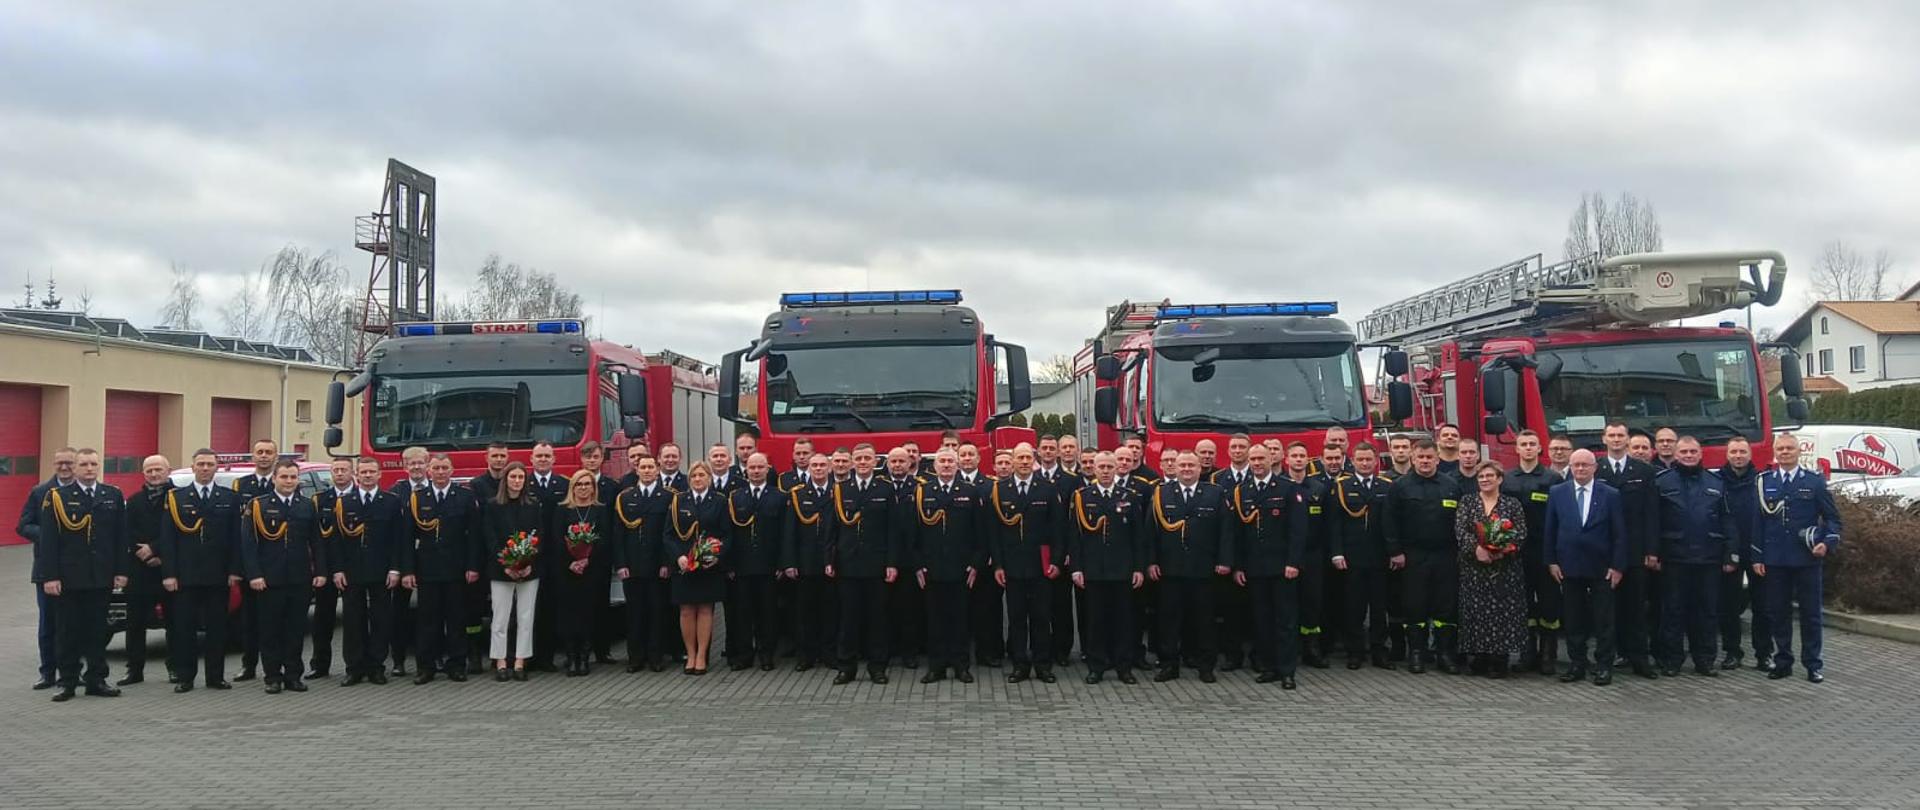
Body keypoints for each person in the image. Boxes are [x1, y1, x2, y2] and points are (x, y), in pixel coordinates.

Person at [36, 448, 127, 702]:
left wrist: (121, 570)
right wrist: (50, 576)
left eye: (93, 464)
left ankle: (96, 679)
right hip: (69, 578)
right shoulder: (57, 497)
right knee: (68, 631)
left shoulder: (112, 495)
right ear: (75, 468)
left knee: (97, 631)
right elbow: (49, 541)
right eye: (84, 464)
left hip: (100, 576)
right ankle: (67, 681)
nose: (89, 468)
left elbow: (120, 537)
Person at [1753, 434, 1842, 683]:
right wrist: (1757, 556)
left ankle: (1813, 664)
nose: (1785, 452)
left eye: (1789, 448)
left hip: (1806, 559)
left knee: (1810, 614)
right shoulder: (1764, 482)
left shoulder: (1814, 482)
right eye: (1780, 448)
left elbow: (1833, 519)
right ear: (1774, 452)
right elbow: (1757, 523)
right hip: (1775, 559)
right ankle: (1783, 662)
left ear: (1799, 451)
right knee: (1778, 613)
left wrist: (1826, 543)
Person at [1652, 436, 1737, 677]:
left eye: (1693, 452)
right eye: (1684, 452)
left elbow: (1728, 520)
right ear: (1676, 455)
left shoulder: (1716, 482)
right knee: (1673, 611)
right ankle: (1672, 660)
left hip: (1709, 559)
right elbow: (1654, 522)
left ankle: (1705, 660)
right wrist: (1653, 553)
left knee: (1707, 612)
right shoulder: (1662, 481)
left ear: (1700, 454)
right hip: (1674, 558)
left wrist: (1731, 554)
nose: (1688, 456)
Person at [161, 449, 245, 692]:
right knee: (185, 629)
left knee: (217, 629)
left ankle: (215, 677)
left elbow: (236, 538)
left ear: (216, 467)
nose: (205, 468)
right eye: (201, 464)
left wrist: (234, 570)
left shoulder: (229, 497)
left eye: (209, 464)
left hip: (218, 575)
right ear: (193, 467)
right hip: (185, 575)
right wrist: (169, 573)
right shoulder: (176, 498)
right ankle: (186, 677)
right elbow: (168, 539)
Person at [241, 459, 326, 694]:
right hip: (269, 579)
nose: (289, 481)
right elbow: (248, 544)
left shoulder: (306, 505)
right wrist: (254, 574)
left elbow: (317, 541)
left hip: (299, 578)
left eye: (293, 477)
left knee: (295, 630)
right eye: (284, 477)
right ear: (274, 479)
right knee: (270, 630)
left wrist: (320, 571)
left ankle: (293, 676)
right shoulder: (258, 505)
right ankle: (272, 677)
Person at [1147, 452, 1232, 683]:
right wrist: (1151, 561)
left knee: (1204, 621)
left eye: (1191, 465)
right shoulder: (1161, 493)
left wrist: (1225, 560)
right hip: (1170, 569)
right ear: (1175, 468)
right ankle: (1169, 665)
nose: (1186, 469)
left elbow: (1225, 530)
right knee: (1169, 620)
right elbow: (1150, 531)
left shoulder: (1215, 493)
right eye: (1182, 465)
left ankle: (1206, 666)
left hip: (1203, 569)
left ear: (1199, 468)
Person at [1545, 450, 1628, 686]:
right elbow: (1550, 529)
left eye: (1585, 465)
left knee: (1604, 620)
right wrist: (1551, 561)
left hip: (1602, 567)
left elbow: (1619, 534)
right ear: (1570, 467)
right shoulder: (1557, 492)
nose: (1580, 469)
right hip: (1568, 566)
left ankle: (1603, 666)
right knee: (1574, 619)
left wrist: (1617, 566)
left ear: (1595, 467)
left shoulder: (1610, 494)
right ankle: (1577, 664)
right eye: (1576, 465)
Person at [1384, 439, 1463, 674]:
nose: (1425, 461)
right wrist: (1395, 551)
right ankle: (1416, 653)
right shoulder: (1400, 487)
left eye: (1429, 457)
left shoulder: (1451, 485)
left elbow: (1461, 521)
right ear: (1413, 458)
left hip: (1446, 555)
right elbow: (1389, 521)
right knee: (1414, 605)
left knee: (1446, 606)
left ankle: (1444, 654)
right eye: (1421, 457)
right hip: (1413, 556)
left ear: (1437, 459)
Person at [400, 454, 481, 684]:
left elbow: (474, 536)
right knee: (427, 621)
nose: (441, 472)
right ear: (429, 471)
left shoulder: (465, 496)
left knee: (456, 619)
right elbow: (407, 538)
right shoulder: (417, 498)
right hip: (427, 570)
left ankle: (456, 665)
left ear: (452, 470)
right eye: (436, 468)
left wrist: (473, 566)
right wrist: (408, 570)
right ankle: (426, 667)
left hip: (457, 568)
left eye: (445, 468)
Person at [828, 446, 905, 685]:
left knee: (877, 619)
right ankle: (846, 667)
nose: (862, 462)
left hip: (876, 564)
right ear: (852, 462)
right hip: (848, 564)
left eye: (867, 458)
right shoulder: (841, 489)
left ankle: (877, 667)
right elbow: (832, 530)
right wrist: (829, 560)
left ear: (875, 462)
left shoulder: (885, 489)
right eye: (858, 458)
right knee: (848, 619)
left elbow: (893, 529)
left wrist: (892, 563)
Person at [1232, 445, 1307, 688]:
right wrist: (1239, 566)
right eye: (1253, 459)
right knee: (1262, 620)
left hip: (1282, 567)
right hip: (1255, 568)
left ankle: (1287, 671)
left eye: (1261, 458)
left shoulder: (1287, 488)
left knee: (1285, 621)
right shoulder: (1242, 491)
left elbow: (1298, 530)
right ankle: (1269, 667)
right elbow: (1239, 534)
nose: (1257, 463)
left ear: (1271, 459)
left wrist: (1293, 562)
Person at [1069, 452, 1146, 685]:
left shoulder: (1129, 496)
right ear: (1093, 469)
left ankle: (1124, 667)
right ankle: (1097, 666)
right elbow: (1075, 536)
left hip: (1122, 570)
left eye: (1109, 467)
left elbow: (1138, 537)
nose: (1104, 471)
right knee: (1096, 622)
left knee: (1123, 621)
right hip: (1093, 570)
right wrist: (1076, 568)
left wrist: (1138, 568)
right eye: (1100, 466)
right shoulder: (1082, 497)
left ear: (1116, 469)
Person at [988, 446, 1063, 684]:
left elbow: (1058, 529)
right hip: (1012, 566)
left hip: (1041, 566)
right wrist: (998, 565)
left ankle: (1042, 665)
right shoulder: (1000, 490)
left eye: (1027, 458)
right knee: (1017, 618)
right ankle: (1020, 665)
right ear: (1012, 461)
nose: (1023, 462)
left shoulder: (1048, 488)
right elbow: (994, 533)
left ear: (1034, 460)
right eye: (1019, 458)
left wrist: (1056, 561)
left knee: (1041, 618)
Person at [913, 449, 984, 684]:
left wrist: (975, 564)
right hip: (931, 568)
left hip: (961, 568)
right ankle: (936, 667)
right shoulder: (923, 492)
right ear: (934, 466)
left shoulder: (969, 491)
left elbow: (979, 532)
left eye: (950, 461)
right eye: (942, 461)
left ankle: (961, 666)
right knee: (934, 620)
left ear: (957, 465)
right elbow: (913, 533)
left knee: (960, 620)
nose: (946, 465)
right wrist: (918, 564)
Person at [1596, 422, 1660, 679]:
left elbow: (1652, 514)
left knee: (1636, 609)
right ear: (1604, 439)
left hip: (1635, 551)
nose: (1616, 439)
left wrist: (1652, 550)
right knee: (1605, 611)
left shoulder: (1644, 471)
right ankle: (1607, 659)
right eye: (1611, 435)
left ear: (1627, 439)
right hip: (1603, 551)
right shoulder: (1595, 468)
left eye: (1620, 435)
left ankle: (1639, 659)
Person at [1455, 462, 1528, 678]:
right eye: (1481, 477)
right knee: (1476, 612)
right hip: (1474, 569)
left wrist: (1502, 550)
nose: (1485, 480)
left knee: (1502, 614)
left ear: (1500, 479)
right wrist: (1477, 549)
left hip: (1504, 569)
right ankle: (1479, 657)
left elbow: (1520, 532)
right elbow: (1461, 530)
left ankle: (1499, 659)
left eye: (1489, 476)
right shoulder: (1467, 502)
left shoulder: (1512, 504)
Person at [332, 456, 401, 687]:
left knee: (381, 620)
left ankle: (376, 667)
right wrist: (338, 569)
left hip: (381, 570)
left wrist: (395, 569)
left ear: (379, 474)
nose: (368, 476)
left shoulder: (391, 502)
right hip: (352, 571)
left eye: (372, 472)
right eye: (363, 472)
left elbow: (397, 539)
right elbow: (336, 540)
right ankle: (354, 668)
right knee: (353, 621)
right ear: (357, 475)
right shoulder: (344, 503)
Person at [1503, 431, 1564, 674]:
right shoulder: (1507, 479)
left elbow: (1560, 517)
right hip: (1516, 553)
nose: (1528, 448)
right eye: (1523, 444)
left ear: (1540, 449)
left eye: (1532, 444)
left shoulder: (1553, 479)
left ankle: (1548, 655)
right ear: (1516, 449)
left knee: (1549, 604)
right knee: (1523, 604)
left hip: (1545, 551)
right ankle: (1526, 654)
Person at [1330, 442, 1394, 670]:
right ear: (1353, 461)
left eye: (1368, 460)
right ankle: (1354, 652)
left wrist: (1394, 551)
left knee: (1379, 607)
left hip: (1379, 556)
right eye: (1360, 460)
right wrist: (1336, 552)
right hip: (1352, 557)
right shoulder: (1342, 486)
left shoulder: (1386, 486)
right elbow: (1334, 524)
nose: (1365, 463)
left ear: (1376, 461)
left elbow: (1391, 523)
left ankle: (1379, 651)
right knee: (1354, 607)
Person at [18, 446, 77, 690]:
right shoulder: (40, 492)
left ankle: (72, 673)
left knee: (74, 625)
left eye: (69, 463)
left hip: (78, 571)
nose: (64, 467)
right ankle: (48, 673)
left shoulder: (85, 492)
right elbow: (24, 525)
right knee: (48, 625)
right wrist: (49, 536)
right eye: (60, 463)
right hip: (46, 570)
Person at [663, 462, 729, 675]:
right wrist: (678, 556)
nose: (698, 479)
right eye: (694, 476)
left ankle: (702, 655)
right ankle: (690, 654)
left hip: (708, 565)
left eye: (702, 475)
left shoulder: (719, 501)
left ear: (709, 477)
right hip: (684, 565)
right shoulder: (678, 500)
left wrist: (716, 556)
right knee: (686, 610)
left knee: (705, 609)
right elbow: (668, 535)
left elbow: (727, 534)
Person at [481, 463, 544, 681]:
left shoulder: (533, 505)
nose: (517, 481)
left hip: (528, 569)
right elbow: (489, 537)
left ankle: (520, 661)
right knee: (500, 618)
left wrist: (528, 562)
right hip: (501, 570)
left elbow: (539, 536)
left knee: (526, 617)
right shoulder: (492, 505)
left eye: (520, 477)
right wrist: (506, 564)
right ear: (505, 479)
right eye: (513, 477)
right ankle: (500, 661)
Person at [724, 453, 785, 671]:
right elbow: (729, 533)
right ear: (746, 470)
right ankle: (744, 655)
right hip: (741, 567)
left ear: (768, 469)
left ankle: (766, 654)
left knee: (767, 613)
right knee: (742, 613)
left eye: (760, 467)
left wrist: (782, 563)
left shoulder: (779, 497)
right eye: (752, 467)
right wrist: (729, 564)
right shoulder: (735, 497)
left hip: (769, 566)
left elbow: (784, 533)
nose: (756, 471)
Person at [553, 470, 614, 676]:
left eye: (587, 484)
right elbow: (557, 539)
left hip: (591, 570)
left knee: (588, 614)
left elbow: (605, 538)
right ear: (573, 487)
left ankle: (585, 657)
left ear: (593, 488)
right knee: (569, 615)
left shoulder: (600, 510)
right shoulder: (562, 510)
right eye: (579, 484)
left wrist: (588, 559)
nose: (583, 488)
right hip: (567, 571)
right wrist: (571, 562)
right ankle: (572, 657)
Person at [615, 455, 673, 672]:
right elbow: (618, 534)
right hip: (632, 566)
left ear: (657, 470)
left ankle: (656, 657)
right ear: (636, 470)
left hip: (658, 566)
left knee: (657, 613)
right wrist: (621, 564)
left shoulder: (667, 497)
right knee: (634, 614)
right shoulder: (625, 497)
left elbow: (669, 533)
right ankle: (635, 658)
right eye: (643, 467)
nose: (647, 471)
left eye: (651, 467)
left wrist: (666, 563)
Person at [781, 454, 838, 671]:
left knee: (831, 611)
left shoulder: (838, 492)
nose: (818, 468)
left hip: (831, 561)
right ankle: (806, 655)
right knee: (805, 612)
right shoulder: (798, 494)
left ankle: (829, 653)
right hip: (805, 563)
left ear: (829, 468)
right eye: (815, 465)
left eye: (822, 465)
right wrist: (789, 562)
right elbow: (789, 532)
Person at [120, 454, 173, 686]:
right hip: (139, 570)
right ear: (143, 473)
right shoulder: (133, 501)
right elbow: (125, 532)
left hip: (168, 569)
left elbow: (180, 532)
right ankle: (134, 671)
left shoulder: (178, 499)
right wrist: (141, 551)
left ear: (168, 471)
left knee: (175, 623)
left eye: (158, 469)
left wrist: (156, 550)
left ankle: (176, 668)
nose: (154, 474)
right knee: (135, 624)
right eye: (149, 470)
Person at [1716, 436, 1767, 670]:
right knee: (1728, 606)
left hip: (1756, 553)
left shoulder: (1761, 481)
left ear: (1750, 454)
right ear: (1727, 455)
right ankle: (1732, 652)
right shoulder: (1717, 482)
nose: (1738, 456)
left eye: (1742, 452)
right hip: (1728, 553)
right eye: (1734, 452)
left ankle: (1764, 654)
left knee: (1762, 607)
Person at [307, 456, 356, 681]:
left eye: (344, 469)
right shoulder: (320, 500)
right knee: (323, 619)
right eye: (336, 470)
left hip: (352, 568)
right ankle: (319, 665)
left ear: (352, 472)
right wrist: (320, 569)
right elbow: (316, 538)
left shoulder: (360, 497)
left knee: (352, 620)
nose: (340, 473)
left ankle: (353, 666)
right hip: (326, 569)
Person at [386, 445, 432, 677]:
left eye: (420, 462)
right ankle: (398, 660)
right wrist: (400, 568)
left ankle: (431, 659)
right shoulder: (396, 493)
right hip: (404, 560)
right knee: (399, 614)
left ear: (427, 465)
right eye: (411, 463)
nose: (416, 467)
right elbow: (393, 534)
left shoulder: (436, 490)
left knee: (430, 613)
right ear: (404, 466)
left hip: (431, 561)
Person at [525, 441, 570, 671]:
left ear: (554, 459)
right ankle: (527, 656)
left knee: (551, 607)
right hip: (529, 555)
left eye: (547, 456)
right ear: (531, 459)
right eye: (539, 456)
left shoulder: (563, 484)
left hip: (555, 555)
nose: (543, 459)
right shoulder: (524, 483)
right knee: (528, 608)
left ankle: (547, 657)